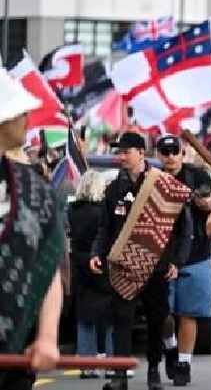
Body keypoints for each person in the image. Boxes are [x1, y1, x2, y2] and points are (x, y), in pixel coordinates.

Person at [90, 132, 193, 390]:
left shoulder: (165, 185)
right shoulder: (114, 188)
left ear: (140, 152)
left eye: (126, 152)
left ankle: (154, 370)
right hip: (123, 267)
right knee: (121, 321)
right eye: (119, 152)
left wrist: (177, 262)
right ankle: (120, 375)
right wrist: (96, 253)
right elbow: (105, 226)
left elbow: (183, 229)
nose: (121, 157)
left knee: (157, 321)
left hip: (157, 268)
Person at [0, 69, 65, 390]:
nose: (27, 116)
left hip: (11, 360)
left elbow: (47, 267)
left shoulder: (33, 190)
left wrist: (48, 337)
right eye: (18, 111)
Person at [155, 136, 211, 386]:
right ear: (158, 154)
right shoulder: (153, 178)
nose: (170, 155)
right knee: (162, 313)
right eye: (165, 151)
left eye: (174, 151)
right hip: (162, 255)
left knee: (189, 313)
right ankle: (170, 347)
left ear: (182, 153)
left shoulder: (198, 176)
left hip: (196, 253)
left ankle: (183, 362)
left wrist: (205, 204)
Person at [68, 171, 114, 379]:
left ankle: (87, 364)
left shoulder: (72, 210)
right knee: (111, 314)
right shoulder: (101, 212)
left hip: (79, 265)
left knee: (85, 316)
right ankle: (113, 363)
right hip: (100, 263)